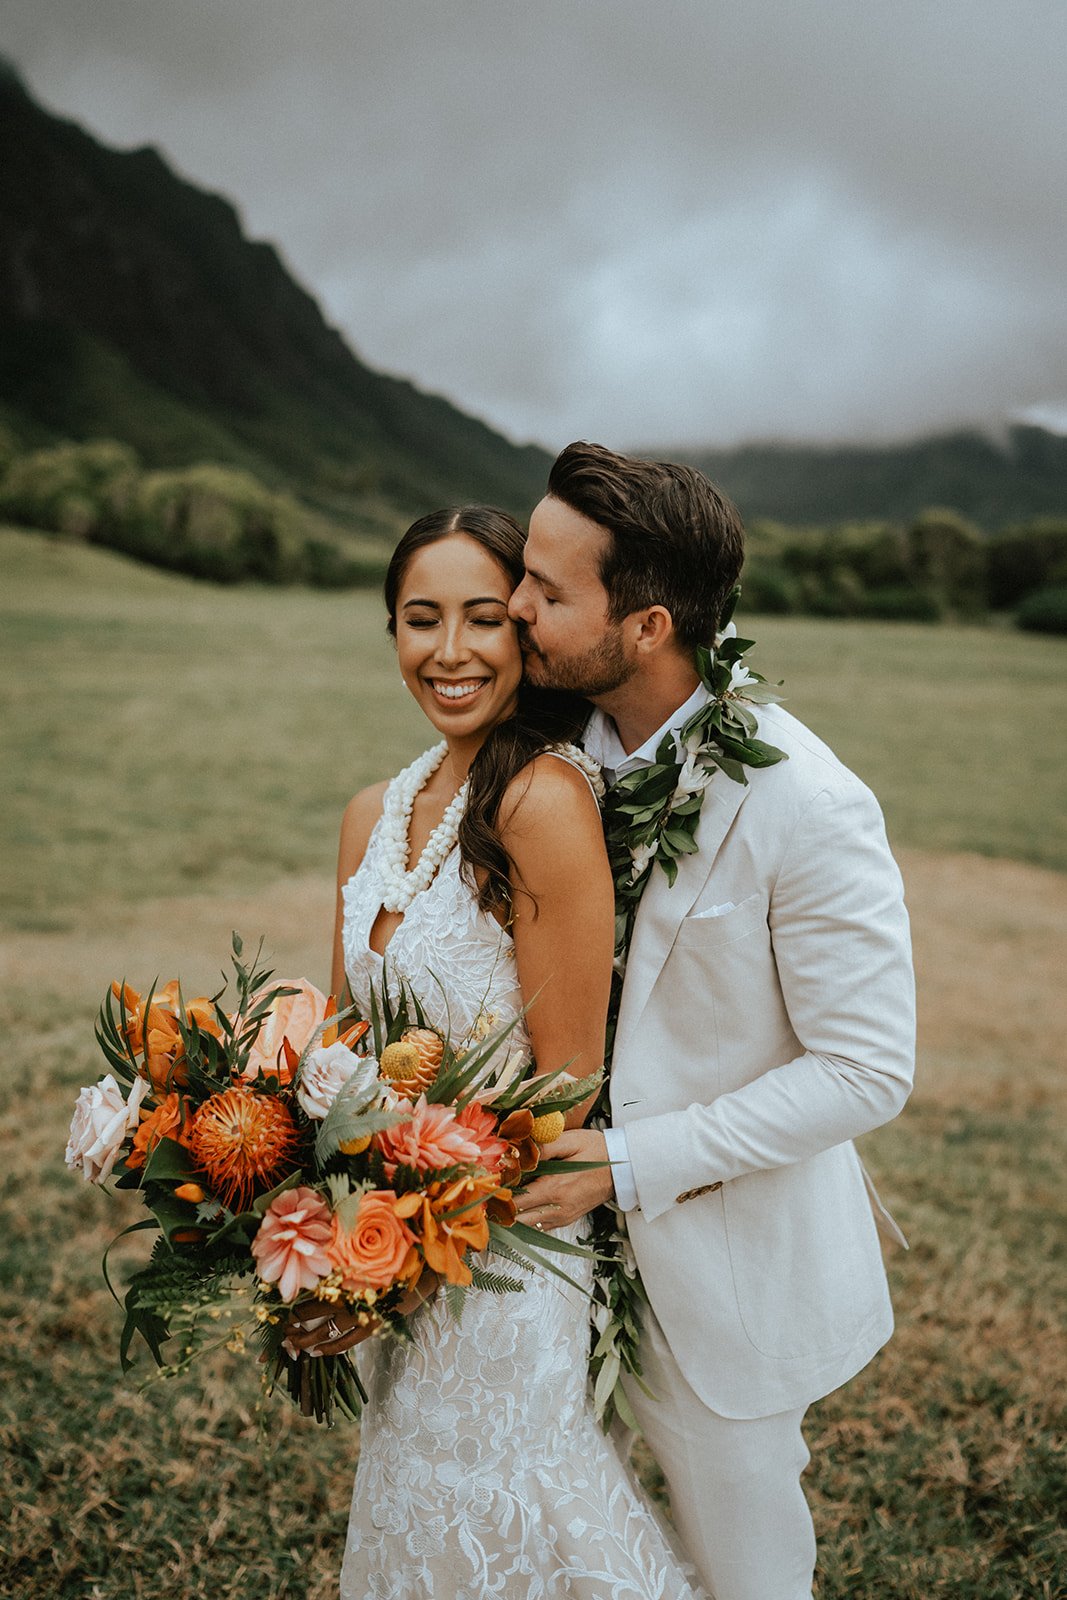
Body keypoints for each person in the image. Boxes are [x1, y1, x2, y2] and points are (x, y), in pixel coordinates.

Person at [508, 442, 916, 1600]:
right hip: (536, 1266)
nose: (514, 605)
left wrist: (629, 1162)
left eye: (548, 588)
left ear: (644, 626)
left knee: (743, 1579)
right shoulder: (530, 750)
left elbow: (864, 1069)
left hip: (722, 1287)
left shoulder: (809, 799)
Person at [318, 505, 708, 1599]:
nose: (449, 652)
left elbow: (566, 1089)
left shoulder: (541, 798)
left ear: (526, 634)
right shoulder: (369, 813)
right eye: (419, 619)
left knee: (504, 1516)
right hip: (390, 1253)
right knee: (416, 1510)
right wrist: (304, 1226)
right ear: (388, 629)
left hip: (507, 1259)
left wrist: (417, 1217)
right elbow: (345, 1049)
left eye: (483, 619)